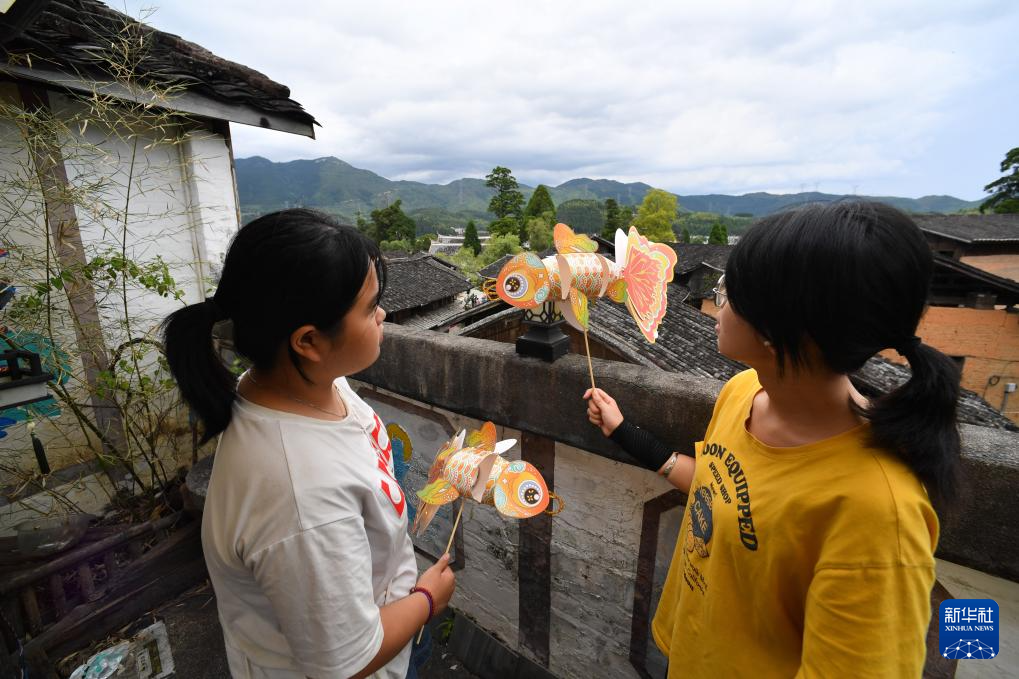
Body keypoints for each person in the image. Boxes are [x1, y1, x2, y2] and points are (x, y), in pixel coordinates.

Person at [585, 201, 959, 678]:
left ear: (783, 329)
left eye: (730, 291)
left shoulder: (878, 514)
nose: (718, 301)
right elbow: (724, 489)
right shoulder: (744, 393)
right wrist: (624, 432)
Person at [163, 209, 455, 679]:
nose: (382, 315)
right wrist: (425, 601)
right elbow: (348, 660)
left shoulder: (301, 387)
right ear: (309, 341)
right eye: (369, 307)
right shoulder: (301, 498)